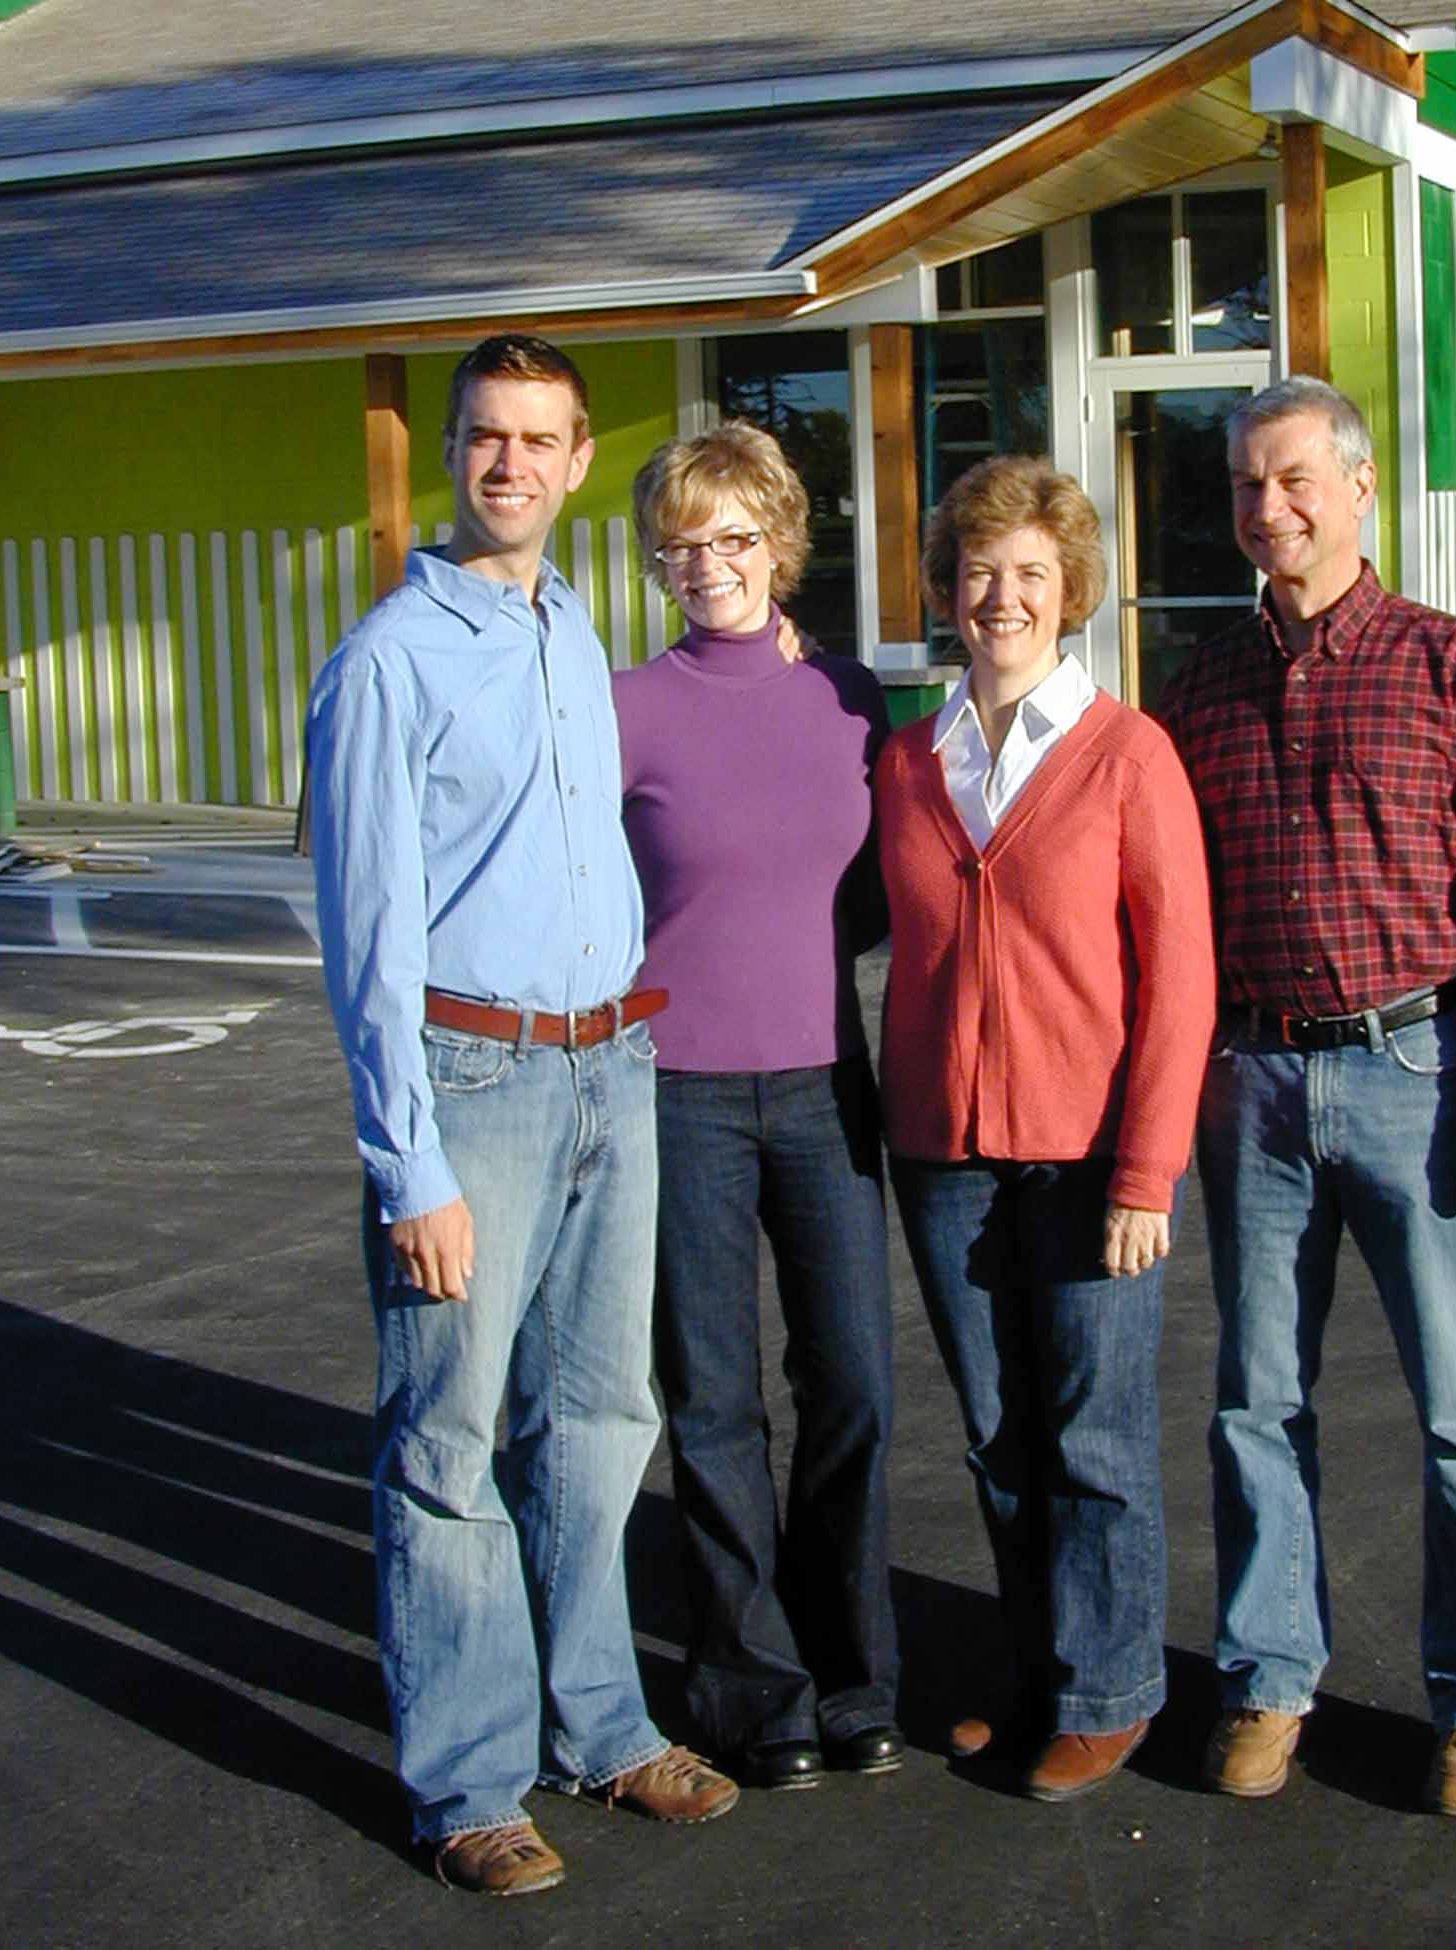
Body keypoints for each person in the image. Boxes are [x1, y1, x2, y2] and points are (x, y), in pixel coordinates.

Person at [305, 334, 738, 1899]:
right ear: (451, 450)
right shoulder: (387, 662)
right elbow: (368, 936)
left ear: (575, 461)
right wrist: (406, 1162)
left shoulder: (569, 628)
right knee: (448, 1443)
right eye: (487, 435)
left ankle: (600, 1722)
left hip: (608, 1068)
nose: (511, 464)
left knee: (603, 1417)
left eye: (539, 439)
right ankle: (469, 1783)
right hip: (473, 1081)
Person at [1156, 376, 1456, 1820]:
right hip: (1253, 1084)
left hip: (1414, 1074)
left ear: (1358, 486)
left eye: (1293, 480)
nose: (1267, 507)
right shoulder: (1199, 686)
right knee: (1256, 1402)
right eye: (1245, 485)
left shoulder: (1455, 666)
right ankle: (1269, 1676)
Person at [875, 455, 1215, 1804]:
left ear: (1070, 589)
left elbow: (1180, 977)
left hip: (1088, 1160)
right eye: (978, 571)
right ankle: (1042, 1670)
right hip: (943, 1157)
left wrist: (1148, 1171)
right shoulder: (909, 760)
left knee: (1095, 1436)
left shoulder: (1128, 754)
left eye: (1029, 572)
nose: (1001, 596)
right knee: (998, 1435)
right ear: (945, 588)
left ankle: (1110, 1692)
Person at [614, 421, 901, 1791]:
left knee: (852, 1380)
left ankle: (853, 1672)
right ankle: (750, 1683)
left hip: (825, 1081)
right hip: (678, 1093)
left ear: (780, 543)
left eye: (734, 536)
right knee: (715, 1398)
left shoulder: (848, 697)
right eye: (681, 543)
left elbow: (877, 897)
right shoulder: (626, 705)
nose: (708, 563)